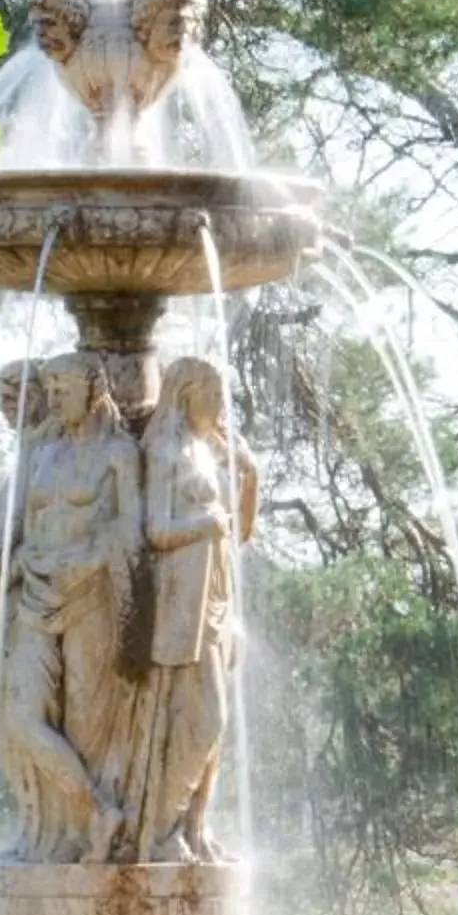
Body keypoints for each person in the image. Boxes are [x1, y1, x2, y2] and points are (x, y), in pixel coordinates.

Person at [0, 351, 142, 861]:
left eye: (62, 390)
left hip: (91, 596)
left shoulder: (119, 453)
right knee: (22, 718)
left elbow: (134, 534)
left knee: (88, 724)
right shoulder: (39, 453)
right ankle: (93, 812)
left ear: (93, 390)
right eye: (49, 390)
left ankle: (89, 836)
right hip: (35, 591)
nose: (53, 400)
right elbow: (7, 531)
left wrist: (101, 561)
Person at [135, 357, 258, 863]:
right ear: (186, 393)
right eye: (215, 395)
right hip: (178, 604)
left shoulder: (205, 450)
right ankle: (159, 831)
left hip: (214, 598)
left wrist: (249, 474)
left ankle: (195, 828)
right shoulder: (165, 450)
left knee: (212, 724)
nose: (223, 407)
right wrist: (206, 525)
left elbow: (241, 532)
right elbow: (155, 530)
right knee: (205, 717)